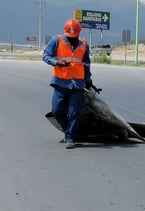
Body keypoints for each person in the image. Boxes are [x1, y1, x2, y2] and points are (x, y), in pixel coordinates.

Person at [43, 18, 93, 149]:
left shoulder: (84, 44)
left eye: (74, 36)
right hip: (61, 82)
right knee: (57, 110)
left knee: (74, 112)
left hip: (77, 84)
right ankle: (68, 131)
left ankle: (70, 137)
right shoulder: (56, 41)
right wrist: (56, 62)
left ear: (78, 33)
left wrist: (88, 80)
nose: (72, 38)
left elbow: (87, 64)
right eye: (70, 36)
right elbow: (45, 56)